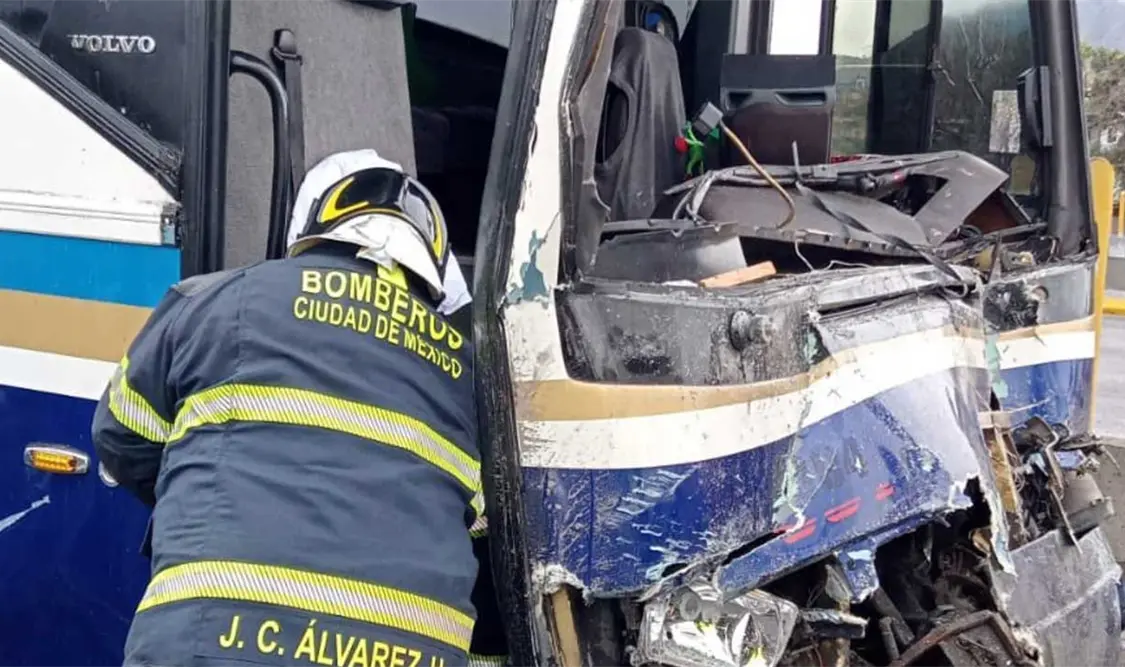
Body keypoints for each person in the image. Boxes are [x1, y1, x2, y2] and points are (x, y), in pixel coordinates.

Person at [93, 149, 484, 667]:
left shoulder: (219, 300)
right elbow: (477, 523)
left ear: (315, 229)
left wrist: (203, 490)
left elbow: (122, 436)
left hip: (213, 638)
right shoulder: (470, 374)